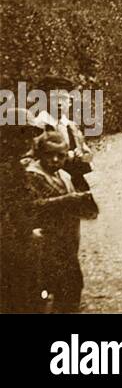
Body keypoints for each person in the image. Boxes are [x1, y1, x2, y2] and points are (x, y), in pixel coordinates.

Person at [25, 130, 98, 313]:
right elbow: (32, 208)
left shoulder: (63, 175)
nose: (56, 160)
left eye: (61, 156)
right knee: (45, 292)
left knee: (72, 286)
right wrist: (70, 200)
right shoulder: (33, 176)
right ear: (39, 154)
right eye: (50, 155)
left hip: (66, 242)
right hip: (44, 245)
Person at [0, 109, 44, 314]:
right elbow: (14, 207)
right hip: (12, 239)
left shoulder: (16, 164)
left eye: (31, 135)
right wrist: (28, 232)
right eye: (23, 134)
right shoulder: (9, 169)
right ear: (9, 137)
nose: (29, 140)